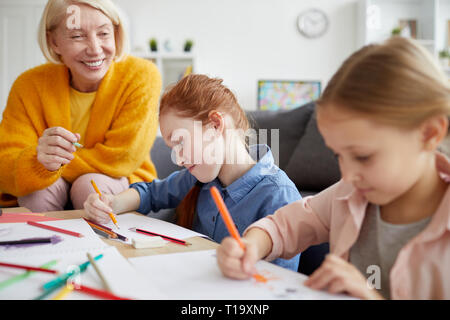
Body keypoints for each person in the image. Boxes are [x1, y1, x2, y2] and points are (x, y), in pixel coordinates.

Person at [216, 37, 450, 299]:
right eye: (339, 155)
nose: (347, 175)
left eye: (362, 156)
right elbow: (284, 226)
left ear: (429, 133)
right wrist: (251, 245)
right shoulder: (347, 194)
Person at [84, 74, 302, 271]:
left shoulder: (279, 195)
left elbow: (280, 281)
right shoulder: (199, 177)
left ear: (216, 124)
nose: (178, 159)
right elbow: (150, 193)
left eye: (181, 142)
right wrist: (111, 203)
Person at [0, 0, 161, 211]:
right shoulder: (28, 85)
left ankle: (105, 245)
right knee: (36, 193)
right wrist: (40, 165)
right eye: (77, 36)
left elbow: (121, 158)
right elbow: (7, 162)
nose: (95, 49)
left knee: (89, 186)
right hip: (49, 184)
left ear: (116, 34)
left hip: (120, 179)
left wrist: (53, 163)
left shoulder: (142, 76)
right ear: (54, 41)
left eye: (103, 34)